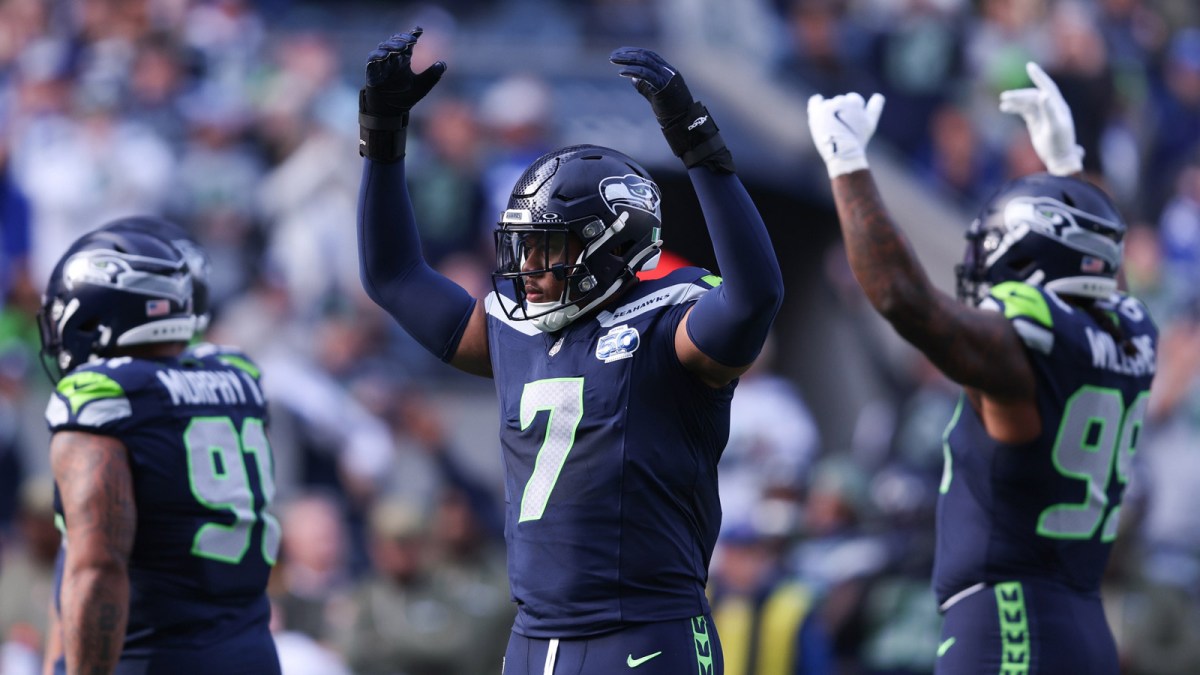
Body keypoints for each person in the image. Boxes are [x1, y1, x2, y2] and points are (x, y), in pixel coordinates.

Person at [357, 28, 783, 675]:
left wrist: (697, 143)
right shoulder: (511, 328)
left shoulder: (671, 323)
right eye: (522, 245)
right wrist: (382, 134)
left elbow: (756, 297)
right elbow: (393, 275)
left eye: (546, 246)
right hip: (533, 639)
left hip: (644, 634)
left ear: (612, 244)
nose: (525, 266)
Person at [805, 62, 1157, 674]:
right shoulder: (1129, 330)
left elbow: (902, 299)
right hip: (1083, 624)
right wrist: (1067, 164)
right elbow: (1103, 274)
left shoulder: (1026, 347)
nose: (982, 268)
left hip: (1008, 626)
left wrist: (846, 163)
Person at [38, 220, 281, 674]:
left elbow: (96, 570)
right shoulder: (237, 377)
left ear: (91, 315)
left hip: (151, 660)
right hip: (253, 656)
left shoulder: (104, 397)